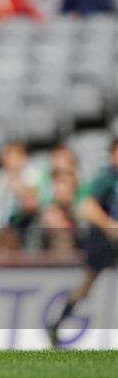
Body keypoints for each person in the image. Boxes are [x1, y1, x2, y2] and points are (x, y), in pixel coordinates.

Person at [48, 139, 118, 346]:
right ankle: (58, 324)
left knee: (87, 285)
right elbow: (87, 207)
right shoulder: (107, 179)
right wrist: (110, 227)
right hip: (103, 241)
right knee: (86, 286)